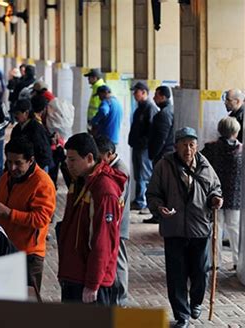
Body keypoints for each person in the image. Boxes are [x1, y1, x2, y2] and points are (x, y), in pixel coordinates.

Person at [146, 127, 223, 328]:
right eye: (183, 145)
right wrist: (158, 208)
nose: (188, 150)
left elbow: (215, 188)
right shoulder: (164, 166)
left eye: (191, 145)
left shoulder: (205, 166)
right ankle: (182, 315)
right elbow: (152, 194)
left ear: (196, 146)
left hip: (200, 228)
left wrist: (216, 198)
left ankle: (196, 302)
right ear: (176, 146)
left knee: (201, 270)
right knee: (176, 275)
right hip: (174, 229)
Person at [58, 133, 126, 305]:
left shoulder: (104, 191)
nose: (67, 164)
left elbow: (103, 242)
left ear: (89, 158)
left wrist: (92, 283)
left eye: (72, 160)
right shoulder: (81, 181)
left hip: (89, 281)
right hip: (74, 273)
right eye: (67, 159)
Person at [0, 136, 56, 292]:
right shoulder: (6, 177)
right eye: (9, 162)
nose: (12, 167)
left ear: (30, 160)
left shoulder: (42, 183)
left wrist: (9, 213)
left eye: (18, 163)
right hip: (7, 250)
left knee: (28, 303)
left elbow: (41, 219)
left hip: (29, 255)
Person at [201, 117, 243, 270]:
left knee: (215, 228)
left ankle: (215, 261)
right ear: (236, 132)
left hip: (214, 194)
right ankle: (238, 261)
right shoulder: (242, 150)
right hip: (235, 196)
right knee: (234, 228)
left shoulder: (211, 149)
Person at [94, 135, 130, 306]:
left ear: (109, 155)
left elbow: (117, 200)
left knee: (119, 262)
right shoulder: (111, 166)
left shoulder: (120, 169)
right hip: (114, 222)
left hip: (118, 224)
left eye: (100, 158)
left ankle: (120, 298)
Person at [145, 85, 174, 224]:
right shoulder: (167, 111)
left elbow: (160, 138)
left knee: (159, 186)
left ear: (163, 96)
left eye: (156, 95)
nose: (154, 98)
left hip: (162, 155)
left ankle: (158, 214)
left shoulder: (164, 114)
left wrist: (154, 154)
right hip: (164, 154)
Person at [128, 81, 159, 214]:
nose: (135, 95)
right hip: (137, 146)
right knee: (138, 174)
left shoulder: (149, 108)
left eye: (136, 92)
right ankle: (139, 200)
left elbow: (151, 130)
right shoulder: (140, 107)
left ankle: (144, 202)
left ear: (144, 92)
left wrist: (143, 142)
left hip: (144, 148)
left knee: (144, 174)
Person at [11, 99, 53, 171]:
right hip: (25, 167)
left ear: (26, 113)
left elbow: (43, 150)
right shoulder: (16, 129)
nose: (15, 116)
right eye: (14, 113)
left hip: (39, 166)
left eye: (17, 113)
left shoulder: (36, 128)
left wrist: (38, 169)